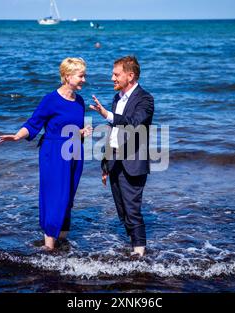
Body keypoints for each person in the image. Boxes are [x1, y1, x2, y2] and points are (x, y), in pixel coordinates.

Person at [0, 57, 92, 251]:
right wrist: (17, 136)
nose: (84, 79)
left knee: (68, 197)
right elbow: (33, 123)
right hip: (54, 153)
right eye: (81, 76)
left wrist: (82, 133)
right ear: (67, 76)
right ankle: (49, 246)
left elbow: (74, 129)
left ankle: (62, 241)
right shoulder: (51, 100)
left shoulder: (80, 101)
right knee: (54, 196)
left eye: (84, 76)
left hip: (75, 152)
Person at [90, 56, 154, 257]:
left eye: (116, 74)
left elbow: (133, 124)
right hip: (115, 162)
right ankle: (134, 250)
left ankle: (139, 255)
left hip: (133, 163)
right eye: (113, 74)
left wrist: (107, 115)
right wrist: (105, 165)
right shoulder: (118, 98)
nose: (112, 78)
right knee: (122, 213)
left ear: (131, 75)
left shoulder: (145, 99)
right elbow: (114, 133)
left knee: (133, 212)